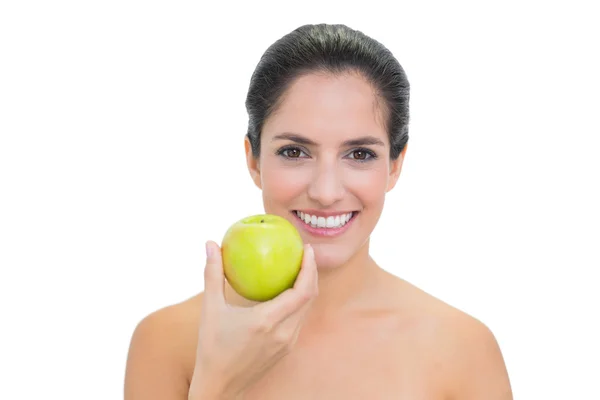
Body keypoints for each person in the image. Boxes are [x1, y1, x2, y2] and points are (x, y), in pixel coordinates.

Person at [124, 23, 513, 399]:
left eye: (360, 154)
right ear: (254, 161)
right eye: (294, 152)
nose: (326, 193)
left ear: (395, 166)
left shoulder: (463, 349)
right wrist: (217, 383)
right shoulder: (166, 341)